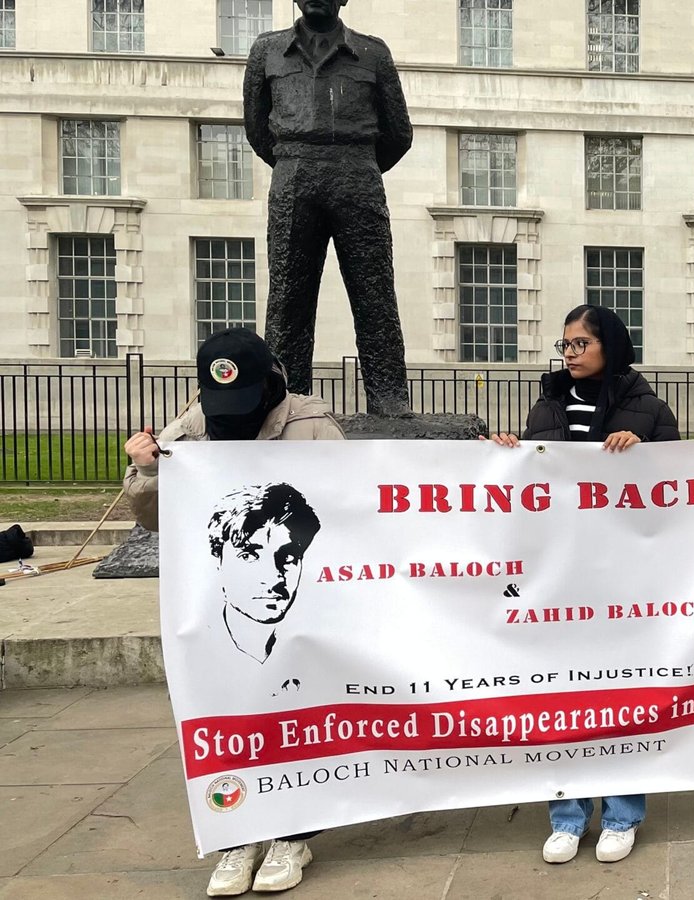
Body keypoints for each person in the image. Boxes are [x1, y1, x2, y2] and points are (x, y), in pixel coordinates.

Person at [121, 328, 342, 896]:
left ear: (270, 384)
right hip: (218, 608)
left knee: (298, 716)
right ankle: (236, 835)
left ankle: (293, 834)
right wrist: (147, 471)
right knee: (226, 715)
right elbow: (154, 519)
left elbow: (352, 502)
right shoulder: (189, 428)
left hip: (302, 607)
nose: (233, 414)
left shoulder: (311, 424)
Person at [484, 303, 679, 865]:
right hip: (560, 577)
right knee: (561, 696)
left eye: (580, 344)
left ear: (609, 346)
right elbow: (533, 484)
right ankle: (566, 816)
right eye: (565, 345)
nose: (569, 354)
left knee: (621, 697)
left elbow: (683, 491)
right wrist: (508, 456)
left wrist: (644, 456)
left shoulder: (649, 409)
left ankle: (621, 814)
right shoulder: (547, 404)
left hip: (622, 580)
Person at [243, 0, 414, 414]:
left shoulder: (373, 53)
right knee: (288, 297)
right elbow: (256, 128)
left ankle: (389, 398)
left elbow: (399, 133)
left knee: (374, 292)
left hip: (357, 174)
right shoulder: (266, 50)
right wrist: (294, 159)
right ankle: (285, 398)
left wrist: (358, 164)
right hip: (294, 174)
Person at [207, 483, 323, 664]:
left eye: (288, 557)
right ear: (218, 563)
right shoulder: (194, 641)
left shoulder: (322, 641)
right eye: (248, 556)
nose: (274, 578)